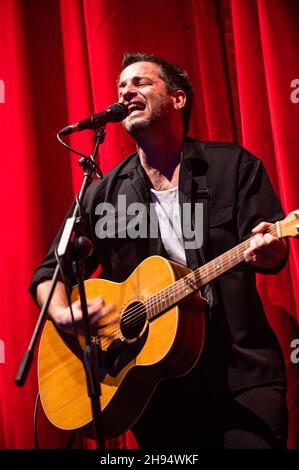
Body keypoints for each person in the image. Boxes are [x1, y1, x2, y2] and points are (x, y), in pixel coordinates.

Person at [29, 53, 289, 449]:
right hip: (155, 390)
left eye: (140, 83)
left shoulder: (232, 167)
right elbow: (50, 272)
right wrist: (65, 313)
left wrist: (270, 252)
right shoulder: (104, 192)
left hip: (241, 376)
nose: (126, 92)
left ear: (178, 99)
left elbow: (273, 248)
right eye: (121, 88)